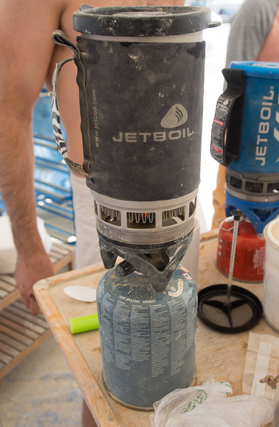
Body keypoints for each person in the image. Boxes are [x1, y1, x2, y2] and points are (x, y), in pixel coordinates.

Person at [0, 0, 183, 425]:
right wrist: (28, 248)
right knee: (108, 369)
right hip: (101, 204)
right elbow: (9, 110)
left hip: (176, 196)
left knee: (175, 357)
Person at [211, 0, 279, 228]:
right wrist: (228, 137)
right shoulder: (258, 8)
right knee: (229, 213)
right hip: (247, 145)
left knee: (272, 211)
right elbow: (234, 77)